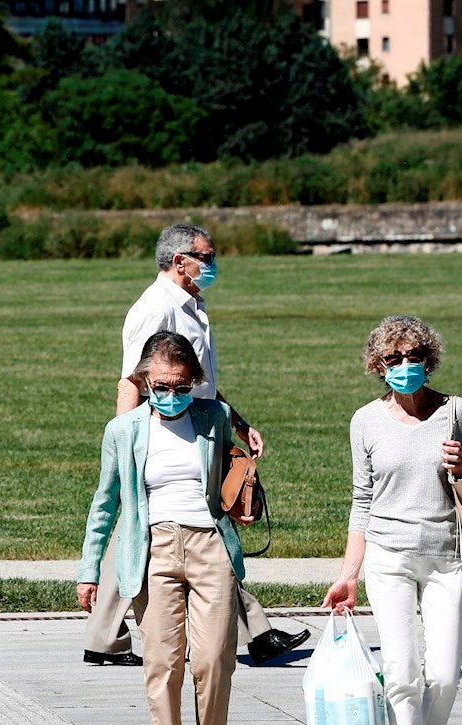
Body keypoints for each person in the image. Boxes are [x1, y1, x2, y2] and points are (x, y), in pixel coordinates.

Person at [82, 223, 308, 668]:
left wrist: (238, 423)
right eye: (206, 256)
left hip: (201, 425)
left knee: (154, 526)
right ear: (179, 260)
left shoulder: (191, 306)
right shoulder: (155, 309)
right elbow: (132, 379)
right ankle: (256, 633)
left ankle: (104, 636)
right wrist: (126, 438)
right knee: (192, 520)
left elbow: (198, 383)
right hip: (167, 432)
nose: (212, 263)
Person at [323, 314, 462, 725]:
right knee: (400, 673)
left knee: (442, 672)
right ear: (377, 365)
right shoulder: (365, 421)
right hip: (388, 559)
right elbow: (361, 500)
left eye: (414, 357)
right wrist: (349, 572)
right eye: (393, 359)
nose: (404, 366)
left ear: (429, 359)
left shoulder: (456, 411)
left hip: (446, 554)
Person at [77, 331, 248, 725]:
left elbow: (237, 466)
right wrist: (89, 568)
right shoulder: (124, 430)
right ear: (144, 381)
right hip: (152, 549)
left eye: (180, 385)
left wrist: (245, 484)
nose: (170, 395)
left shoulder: (212, 417)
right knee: (162, 662)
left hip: (210, 543)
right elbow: (105, 501)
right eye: (160, 386)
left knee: (214, 659)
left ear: (193, 381)